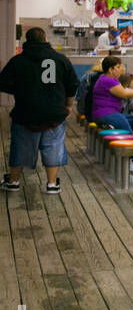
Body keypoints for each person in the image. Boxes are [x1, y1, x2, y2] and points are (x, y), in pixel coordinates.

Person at [0, 28, 80, 195]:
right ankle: (52, 184)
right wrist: (68, 105)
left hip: (25, 113)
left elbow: (3, 83)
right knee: (53, 146)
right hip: (55, 113)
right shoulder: (60, 59)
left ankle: (13, 181)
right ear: (45, 39)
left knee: (20, 146)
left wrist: (20, 89)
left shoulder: (18, 61)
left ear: (26, 40)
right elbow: (72, 85)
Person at [91, 56, 133, 169]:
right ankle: (129, 159)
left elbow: (124, 91)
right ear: (111, 69)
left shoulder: (110, 79)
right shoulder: (108, 80)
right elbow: (124, 94)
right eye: (118, 67)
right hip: (105, 113)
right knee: (128, 131)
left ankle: (116, 134)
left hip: (109, 112)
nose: (121, 69)